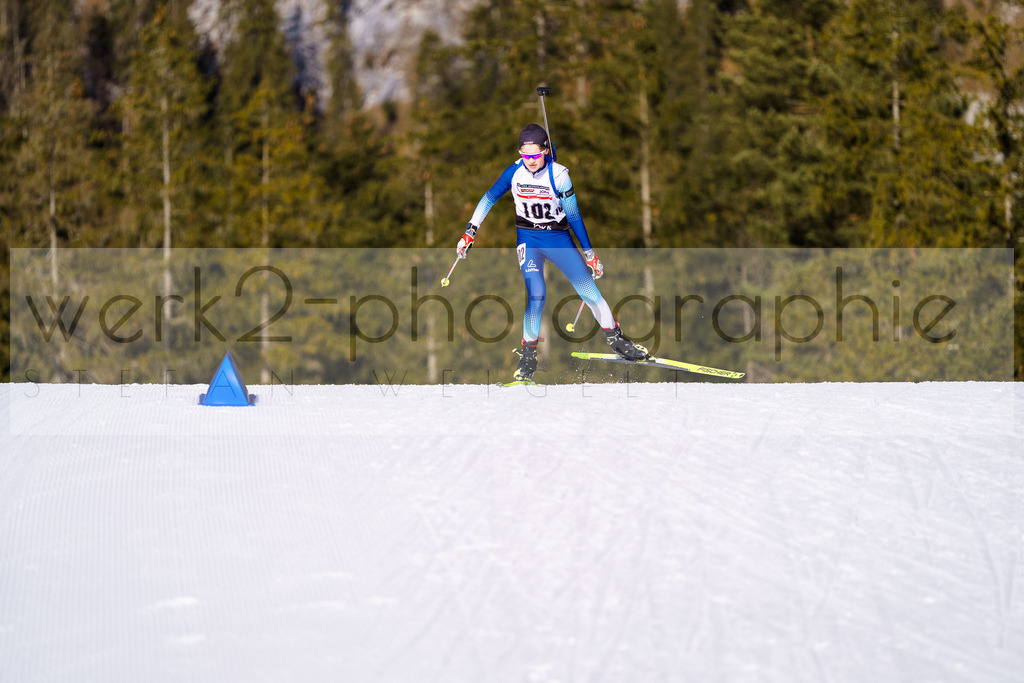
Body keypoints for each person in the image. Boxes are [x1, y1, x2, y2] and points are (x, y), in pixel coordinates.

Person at [455, 123, 649, 382]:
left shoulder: (559, 175)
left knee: (588, 291)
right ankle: (528, 357)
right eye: (525, 155)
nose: (530, 160)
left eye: (535, 155)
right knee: (537, 294)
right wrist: (470, 231)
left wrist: (589, 254)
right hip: (529, 239)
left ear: (546, 150)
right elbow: (488, 198)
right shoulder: (514, 172)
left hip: (558, 238)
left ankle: (617, 340)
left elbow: (574, 216)